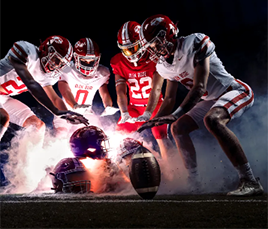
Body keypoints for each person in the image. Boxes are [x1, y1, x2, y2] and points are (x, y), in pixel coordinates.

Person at [137, 14, 263, 196]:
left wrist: (176, 113)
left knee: (211, 120)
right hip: (211, 99)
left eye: (155, 42)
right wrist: (156, 120)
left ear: (168, 33)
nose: (153, 48)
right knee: (177, 128)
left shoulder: (194, 42)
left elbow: (199, 87)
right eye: (150, 45)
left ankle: (250, 180)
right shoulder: (164, 65)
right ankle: (194, 182)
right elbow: (169, 99)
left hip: (234, 91)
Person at [0, 35, 88, 143]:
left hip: (3, 97)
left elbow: (54, 99)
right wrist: (56, 111)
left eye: (61, 64)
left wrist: (66, 114)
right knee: (3, 117)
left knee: (38, 126)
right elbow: (31, 84)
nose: (57, 66)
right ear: (46, 50)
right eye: (56, 59)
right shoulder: (26, 52)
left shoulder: (47, 75)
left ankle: (28, 160)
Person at [110, 21, 173, 161]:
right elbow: (121, 92)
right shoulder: (118, 62)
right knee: (119, 138)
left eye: (134, 47)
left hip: (155, 105)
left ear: (143, 43)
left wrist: (148, 113)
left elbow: (156, 89)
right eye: (126, 49)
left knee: (159, 133)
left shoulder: (155, 57)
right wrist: (124, 112)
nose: (130, 53)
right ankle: (124, 173)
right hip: (134, 107)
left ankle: (173, 170)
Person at [53, 37, 118, 133]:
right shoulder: (67, 69)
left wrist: (108, 105)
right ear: (76, 58)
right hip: (65, 110)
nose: (88, 64)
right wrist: (74, 105)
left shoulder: (102, 73)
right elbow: (65, 91)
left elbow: (104, 93)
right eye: (84, 60)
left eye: (91, 61)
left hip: (87, 112)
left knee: (99, 134)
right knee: (60, 135)